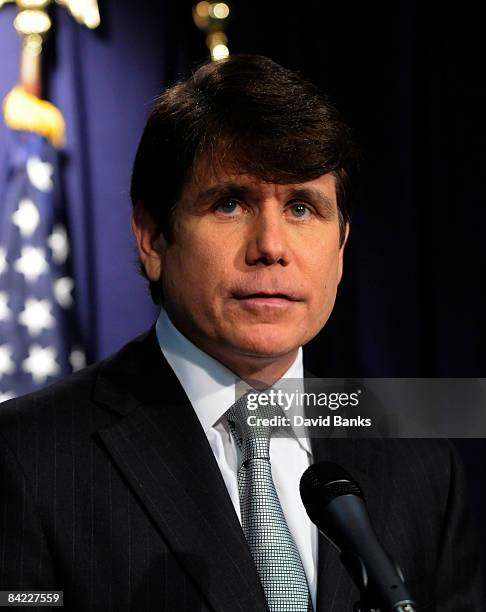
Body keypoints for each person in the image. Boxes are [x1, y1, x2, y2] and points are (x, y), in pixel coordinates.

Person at [0, 54, 483, 611]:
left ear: (342, 247)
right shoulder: (28, 458)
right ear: (153, 239)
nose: (271, 247)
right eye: (230, 203)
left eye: (302, 208)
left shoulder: (420, 462)